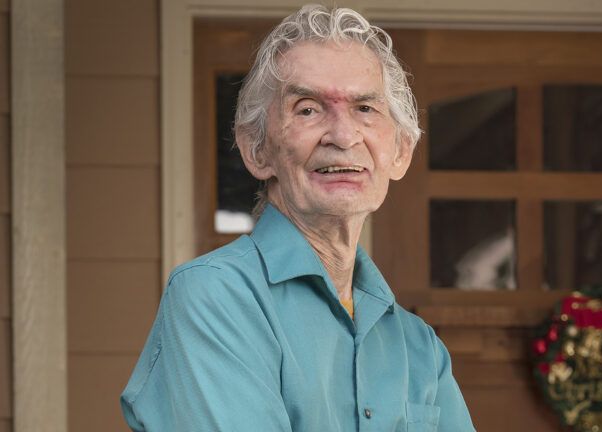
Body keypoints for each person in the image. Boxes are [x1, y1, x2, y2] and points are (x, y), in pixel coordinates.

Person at [121, 5, 475, 431]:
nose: (344, 136)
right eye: (307, 109)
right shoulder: (215, 297)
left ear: (400, 151)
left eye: (365, 108)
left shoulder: (420, 348)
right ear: (257, 149)